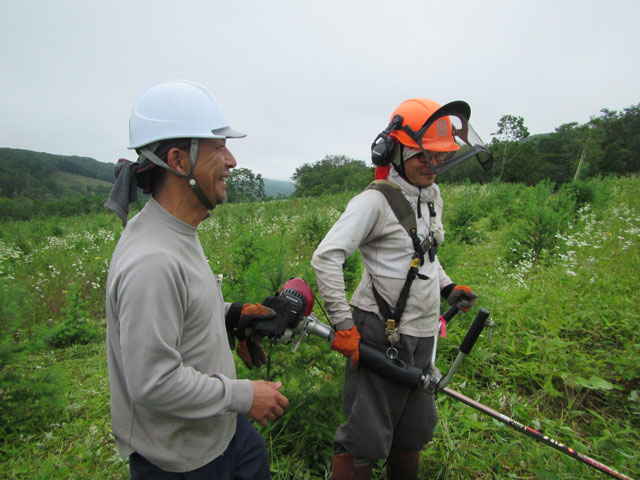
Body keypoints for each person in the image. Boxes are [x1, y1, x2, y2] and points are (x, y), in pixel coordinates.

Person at [104, 80, 289, 479]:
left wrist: (233, 315)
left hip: (219, 431)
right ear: (179, 160)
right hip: (183, 460)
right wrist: (244, 395)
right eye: (218, 147)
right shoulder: (151, 260)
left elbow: (180, 309)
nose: (232, 160)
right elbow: (153, 383)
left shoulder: (177, 230)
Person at [311, 98, 492, 479]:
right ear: (396, 151)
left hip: (424, 332)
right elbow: (326, 257)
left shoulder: (432, 198)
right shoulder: (373, 202)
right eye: (422, 155)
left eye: (439, 156)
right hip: (381, 331)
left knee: (413, 432)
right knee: (366, 434)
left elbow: (424, 256)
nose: (433, 164)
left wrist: (447, 288)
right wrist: (344, 325)